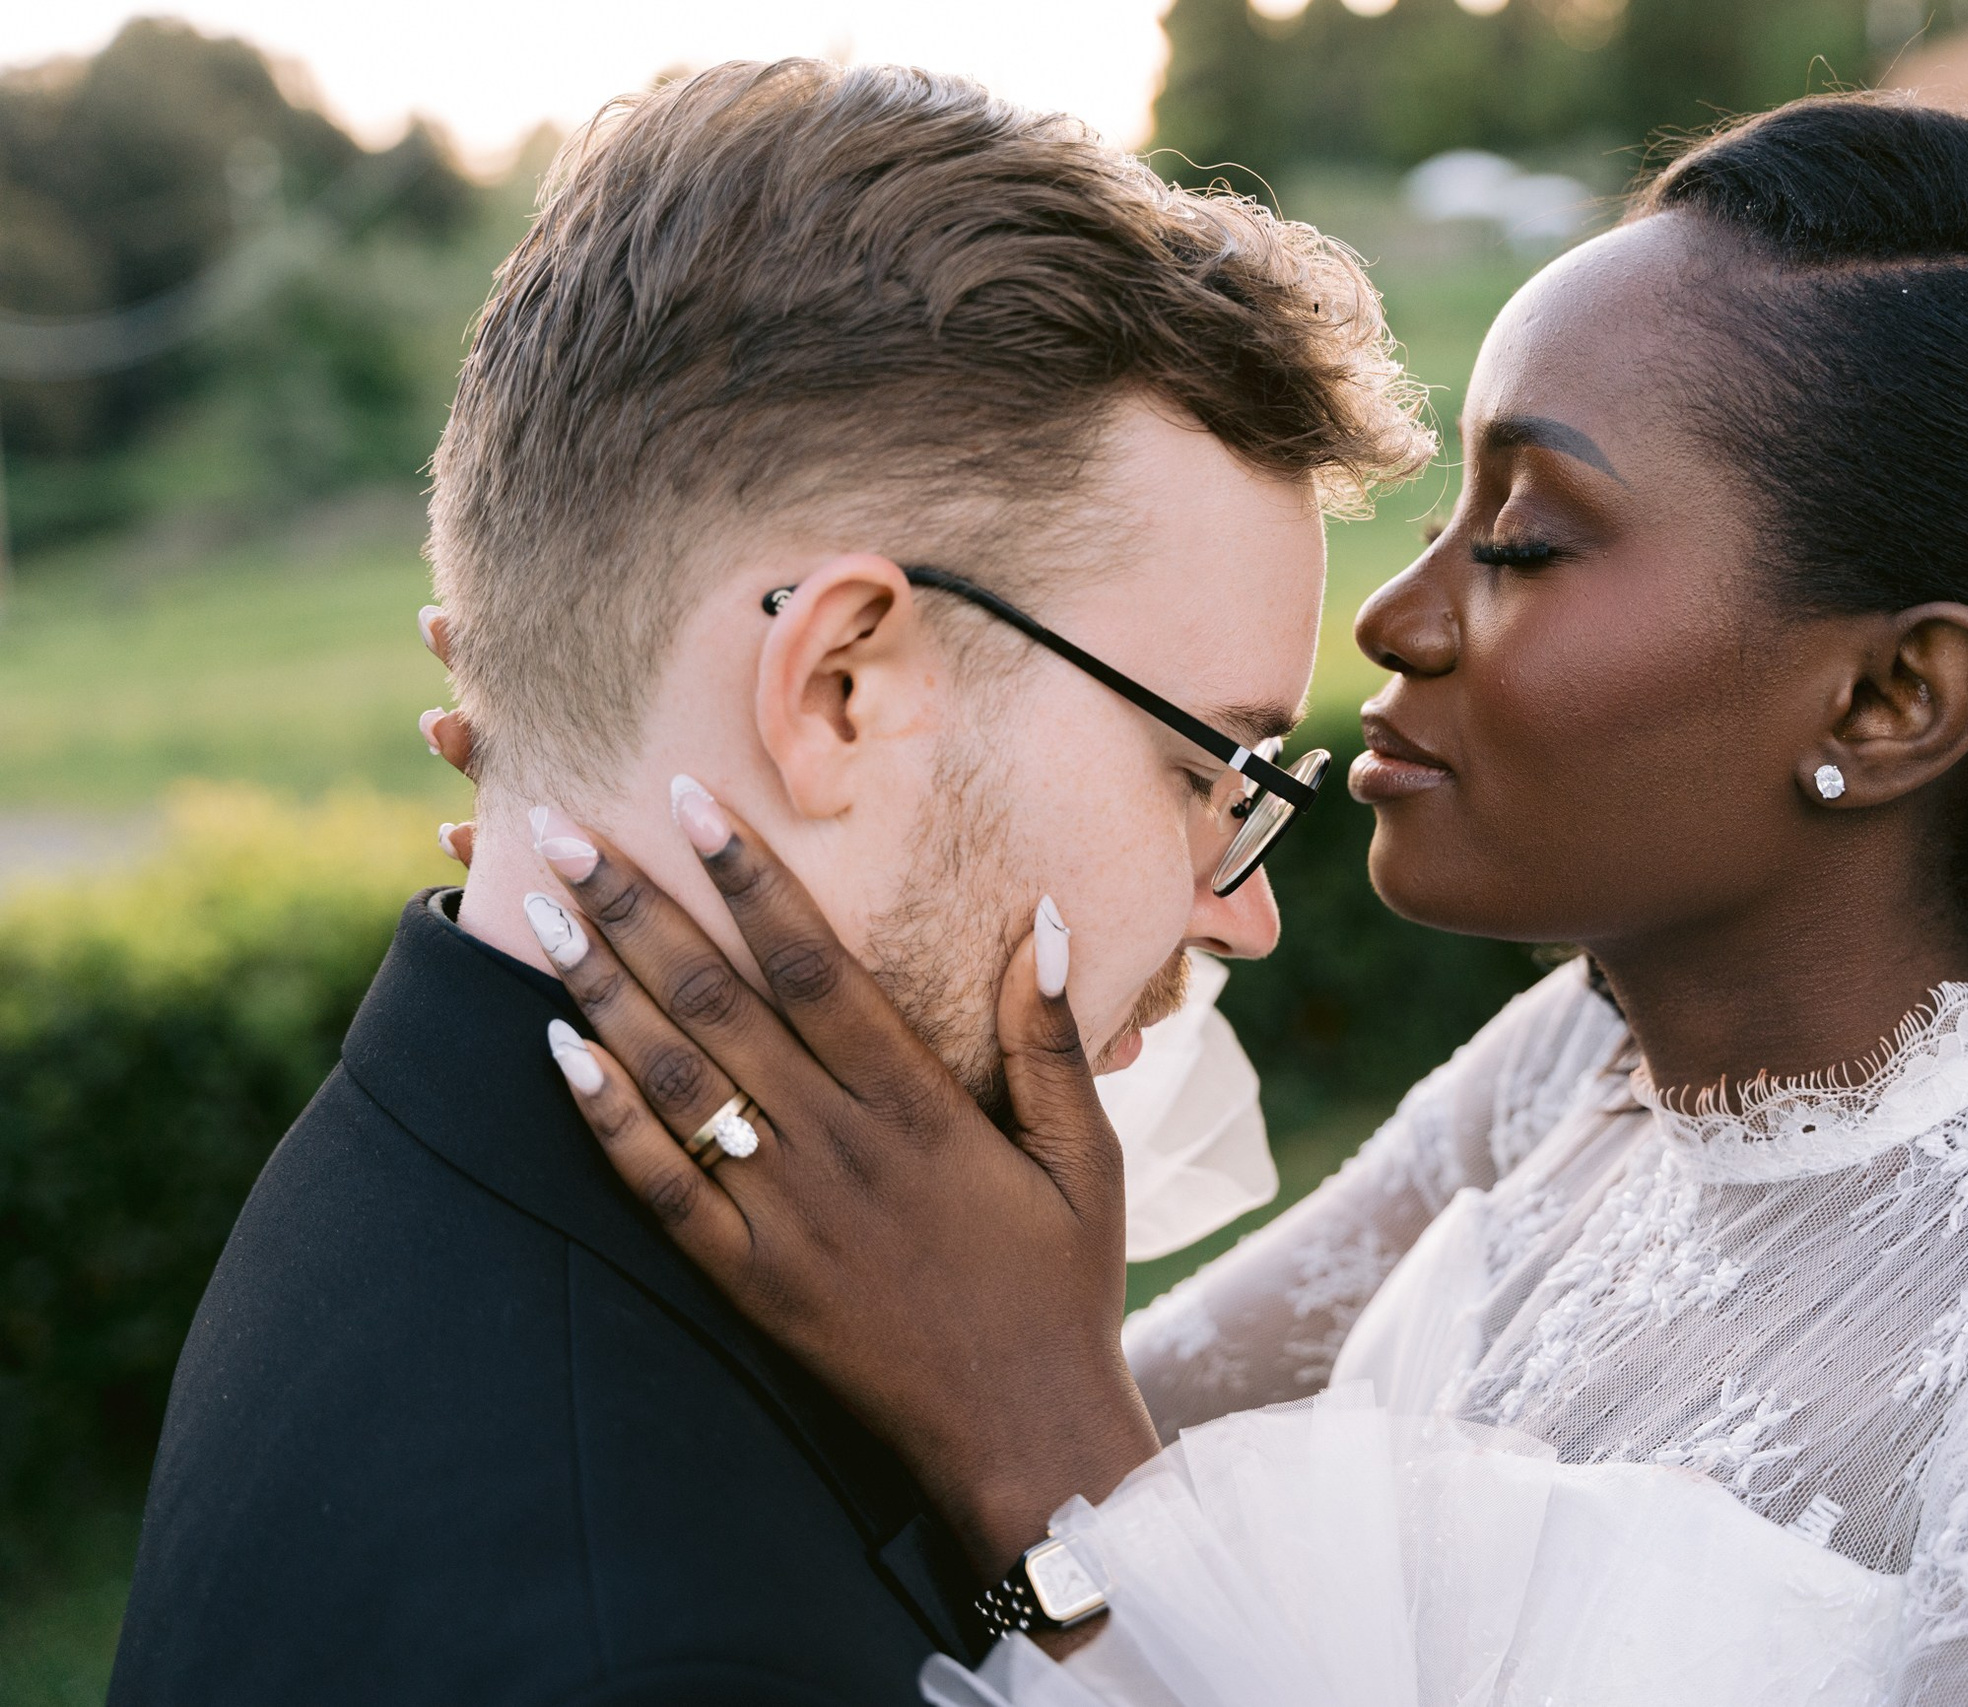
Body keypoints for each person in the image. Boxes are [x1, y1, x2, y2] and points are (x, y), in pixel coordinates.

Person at [516, 96, 1968, 1706]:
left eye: (1527, 537)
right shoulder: (1569, 1073)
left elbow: (1045, 1443)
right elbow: (993, 1376)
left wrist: (1048, 1467)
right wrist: (618, 769)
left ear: (1888, 694)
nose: (1398, 623)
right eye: (1442, 520)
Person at [106, 60, 1426, 1707]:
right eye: (1202, 766)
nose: (1246, 907)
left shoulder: (439, 1135)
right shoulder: (652, 1650)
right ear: (840, 690)